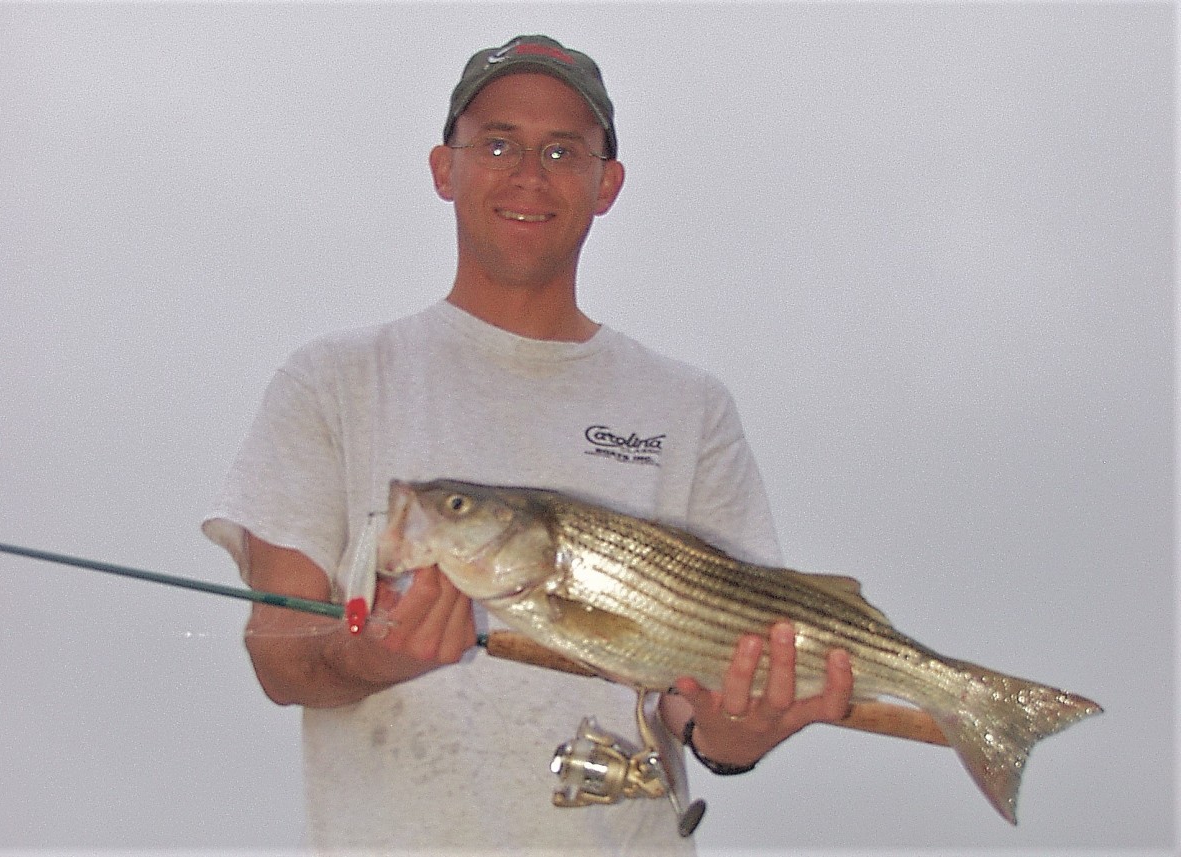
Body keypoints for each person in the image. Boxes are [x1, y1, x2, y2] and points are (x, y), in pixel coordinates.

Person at [203, 34, 853, 856]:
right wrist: (365, 656)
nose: (528, 174)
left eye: (562, 150)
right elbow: (277, 648)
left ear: (605, 183)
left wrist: (733, 732)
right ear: (446, 167)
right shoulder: (334, 379)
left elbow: (698, 691)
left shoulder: (691, 406)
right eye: (499, 143)